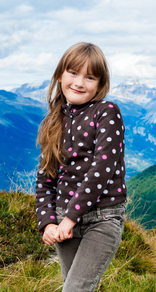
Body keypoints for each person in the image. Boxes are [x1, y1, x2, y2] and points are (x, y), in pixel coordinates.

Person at [35, 42, 127, 292]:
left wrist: (70, 219)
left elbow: (102, 170)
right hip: (64, 222)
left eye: (89, 77)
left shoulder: (106, 112)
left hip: (103, 218)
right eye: (73, 73)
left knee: (75, 289)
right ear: (60, 75)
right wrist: (47, 223)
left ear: (100, 84)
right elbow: (45, 179)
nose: (79, 82)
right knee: (73, 287)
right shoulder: (54, 121)